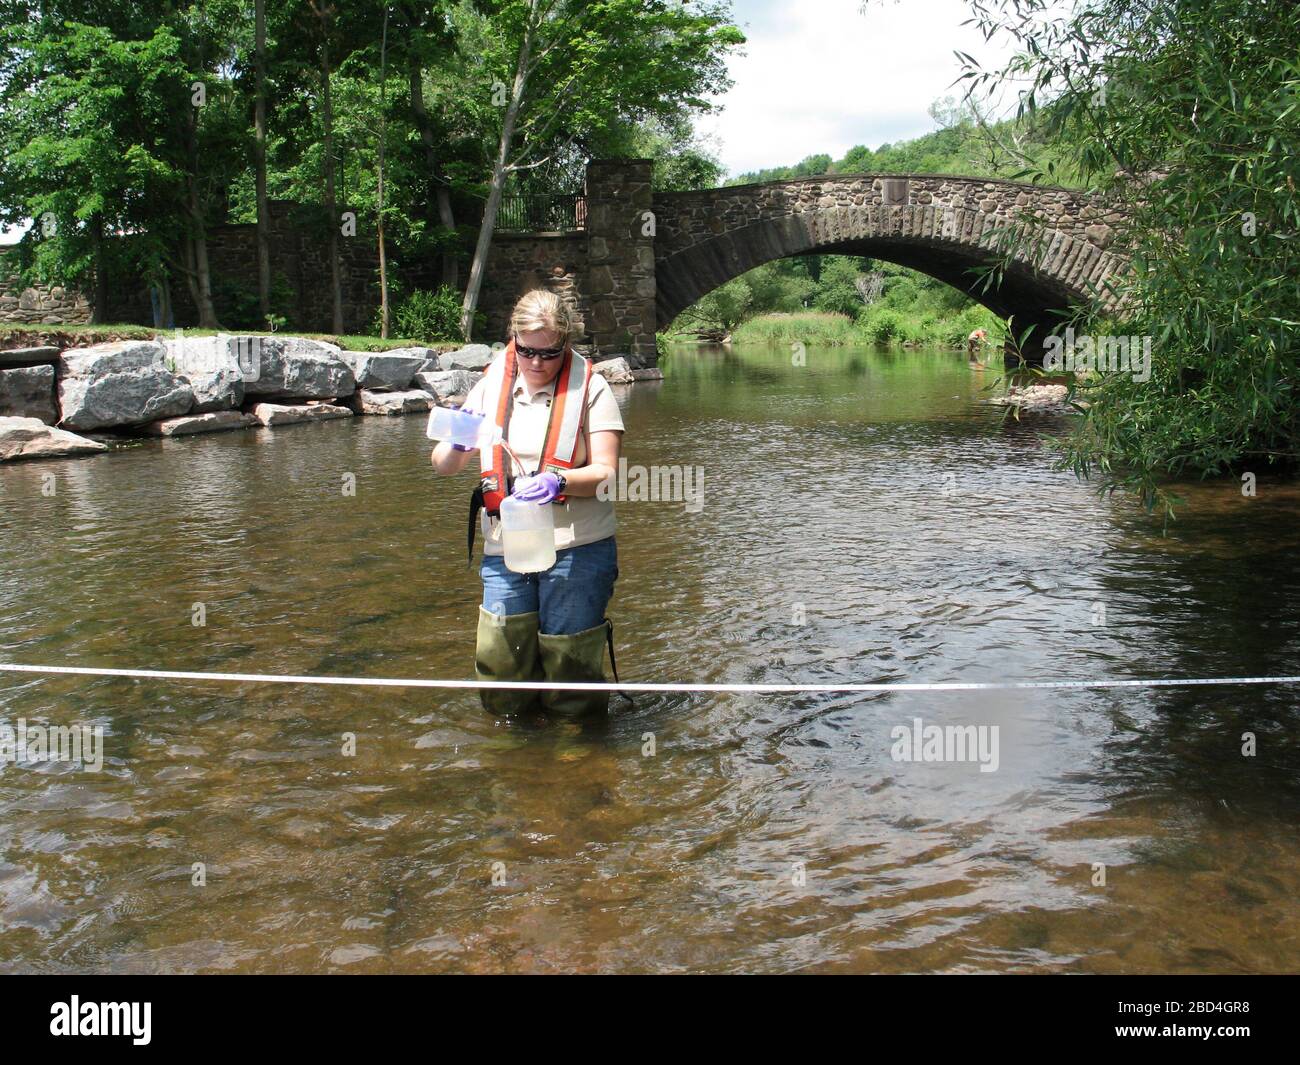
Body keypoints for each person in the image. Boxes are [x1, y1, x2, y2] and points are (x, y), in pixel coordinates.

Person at [430, 290, 625, 720]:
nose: (536, 363)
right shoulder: (489, 386)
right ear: (513, 340)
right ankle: (512, 748)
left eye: (550, 353)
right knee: (502, 657)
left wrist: (559, 480)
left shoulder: (592, 387)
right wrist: (459, 440)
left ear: (567, 344)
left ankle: (576, 749)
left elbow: (609, 474)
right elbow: (444, 465)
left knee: (570, 660)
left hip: (578, 548)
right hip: (507, 547)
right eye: (527, 351)